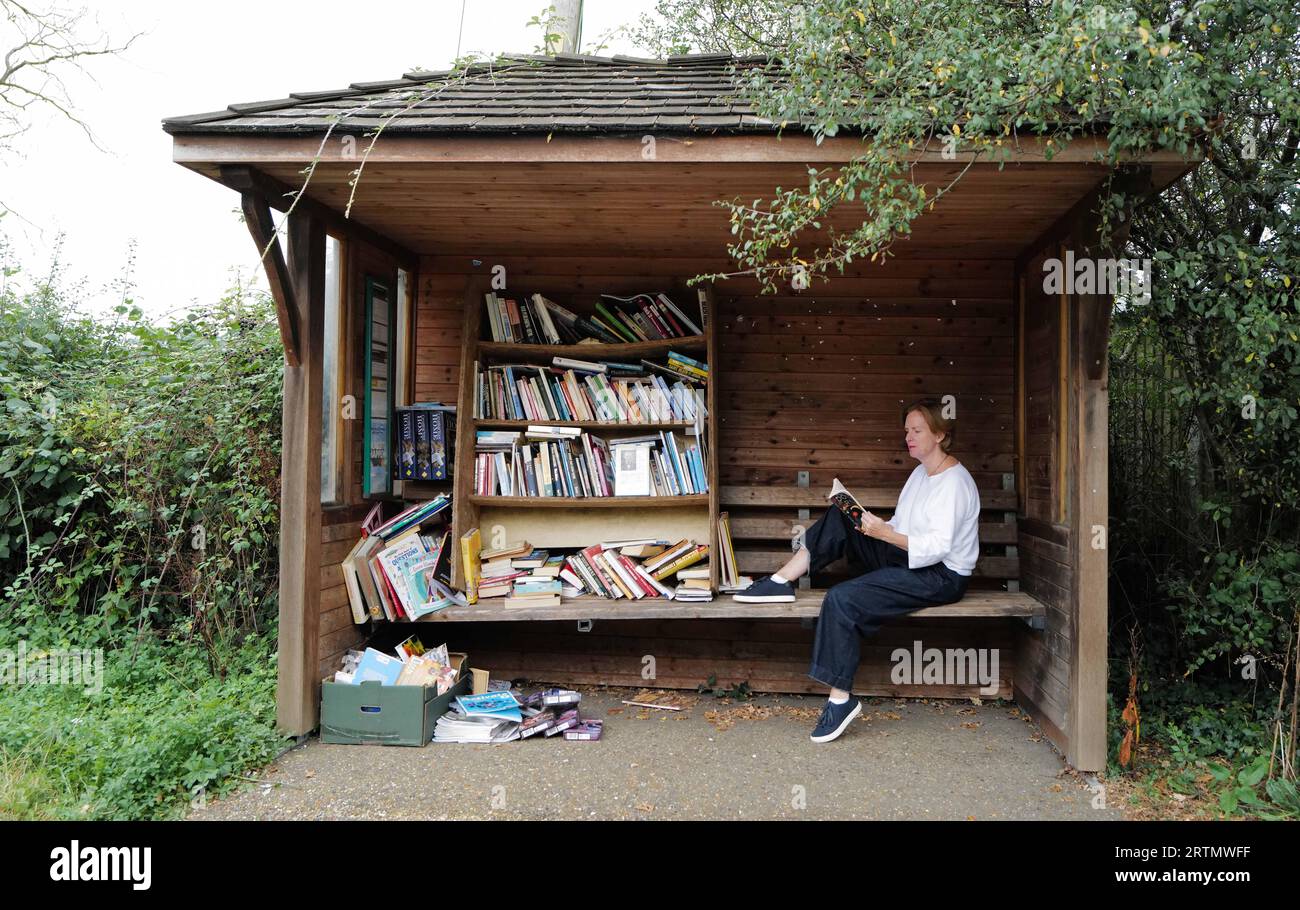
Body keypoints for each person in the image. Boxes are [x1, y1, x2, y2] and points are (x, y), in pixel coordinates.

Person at [732, 397, 981, 743]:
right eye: (906, 430)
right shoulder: (921, 473)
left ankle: (841, 700)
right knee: (841, 517)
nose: (908, 436)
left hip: (940, 575)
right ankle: (780, 581)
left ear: (939, 434)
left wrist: (885, 534)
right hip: (909, 556)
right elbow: (905, 527)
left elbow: (937, 547)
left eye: (917, 430)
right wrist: (872, 525)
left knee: (843, 598)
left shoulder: (954, 482)